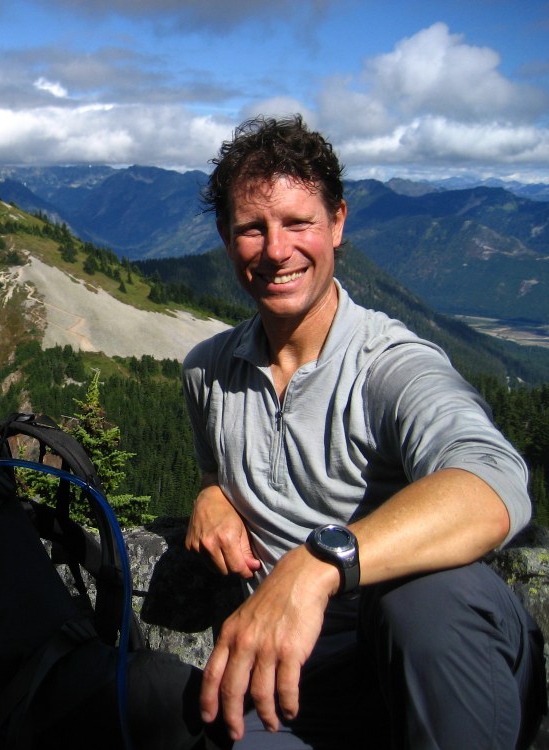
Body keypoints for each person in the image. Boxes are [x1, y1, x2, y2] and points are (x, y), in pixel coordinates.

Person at [181, 114, 546, 749]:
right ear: (225, 237)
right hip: (296, 688)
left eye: (299, 223)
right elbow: (222, 463)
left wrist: (320, 562)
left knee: (427, 598)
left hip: (422, 669)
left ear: (338, 224)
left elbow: (493, 481)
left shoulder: (391, 366)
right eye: (252, 228)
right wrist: (212, 491)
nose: (276, 249)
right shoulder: (207, 372)